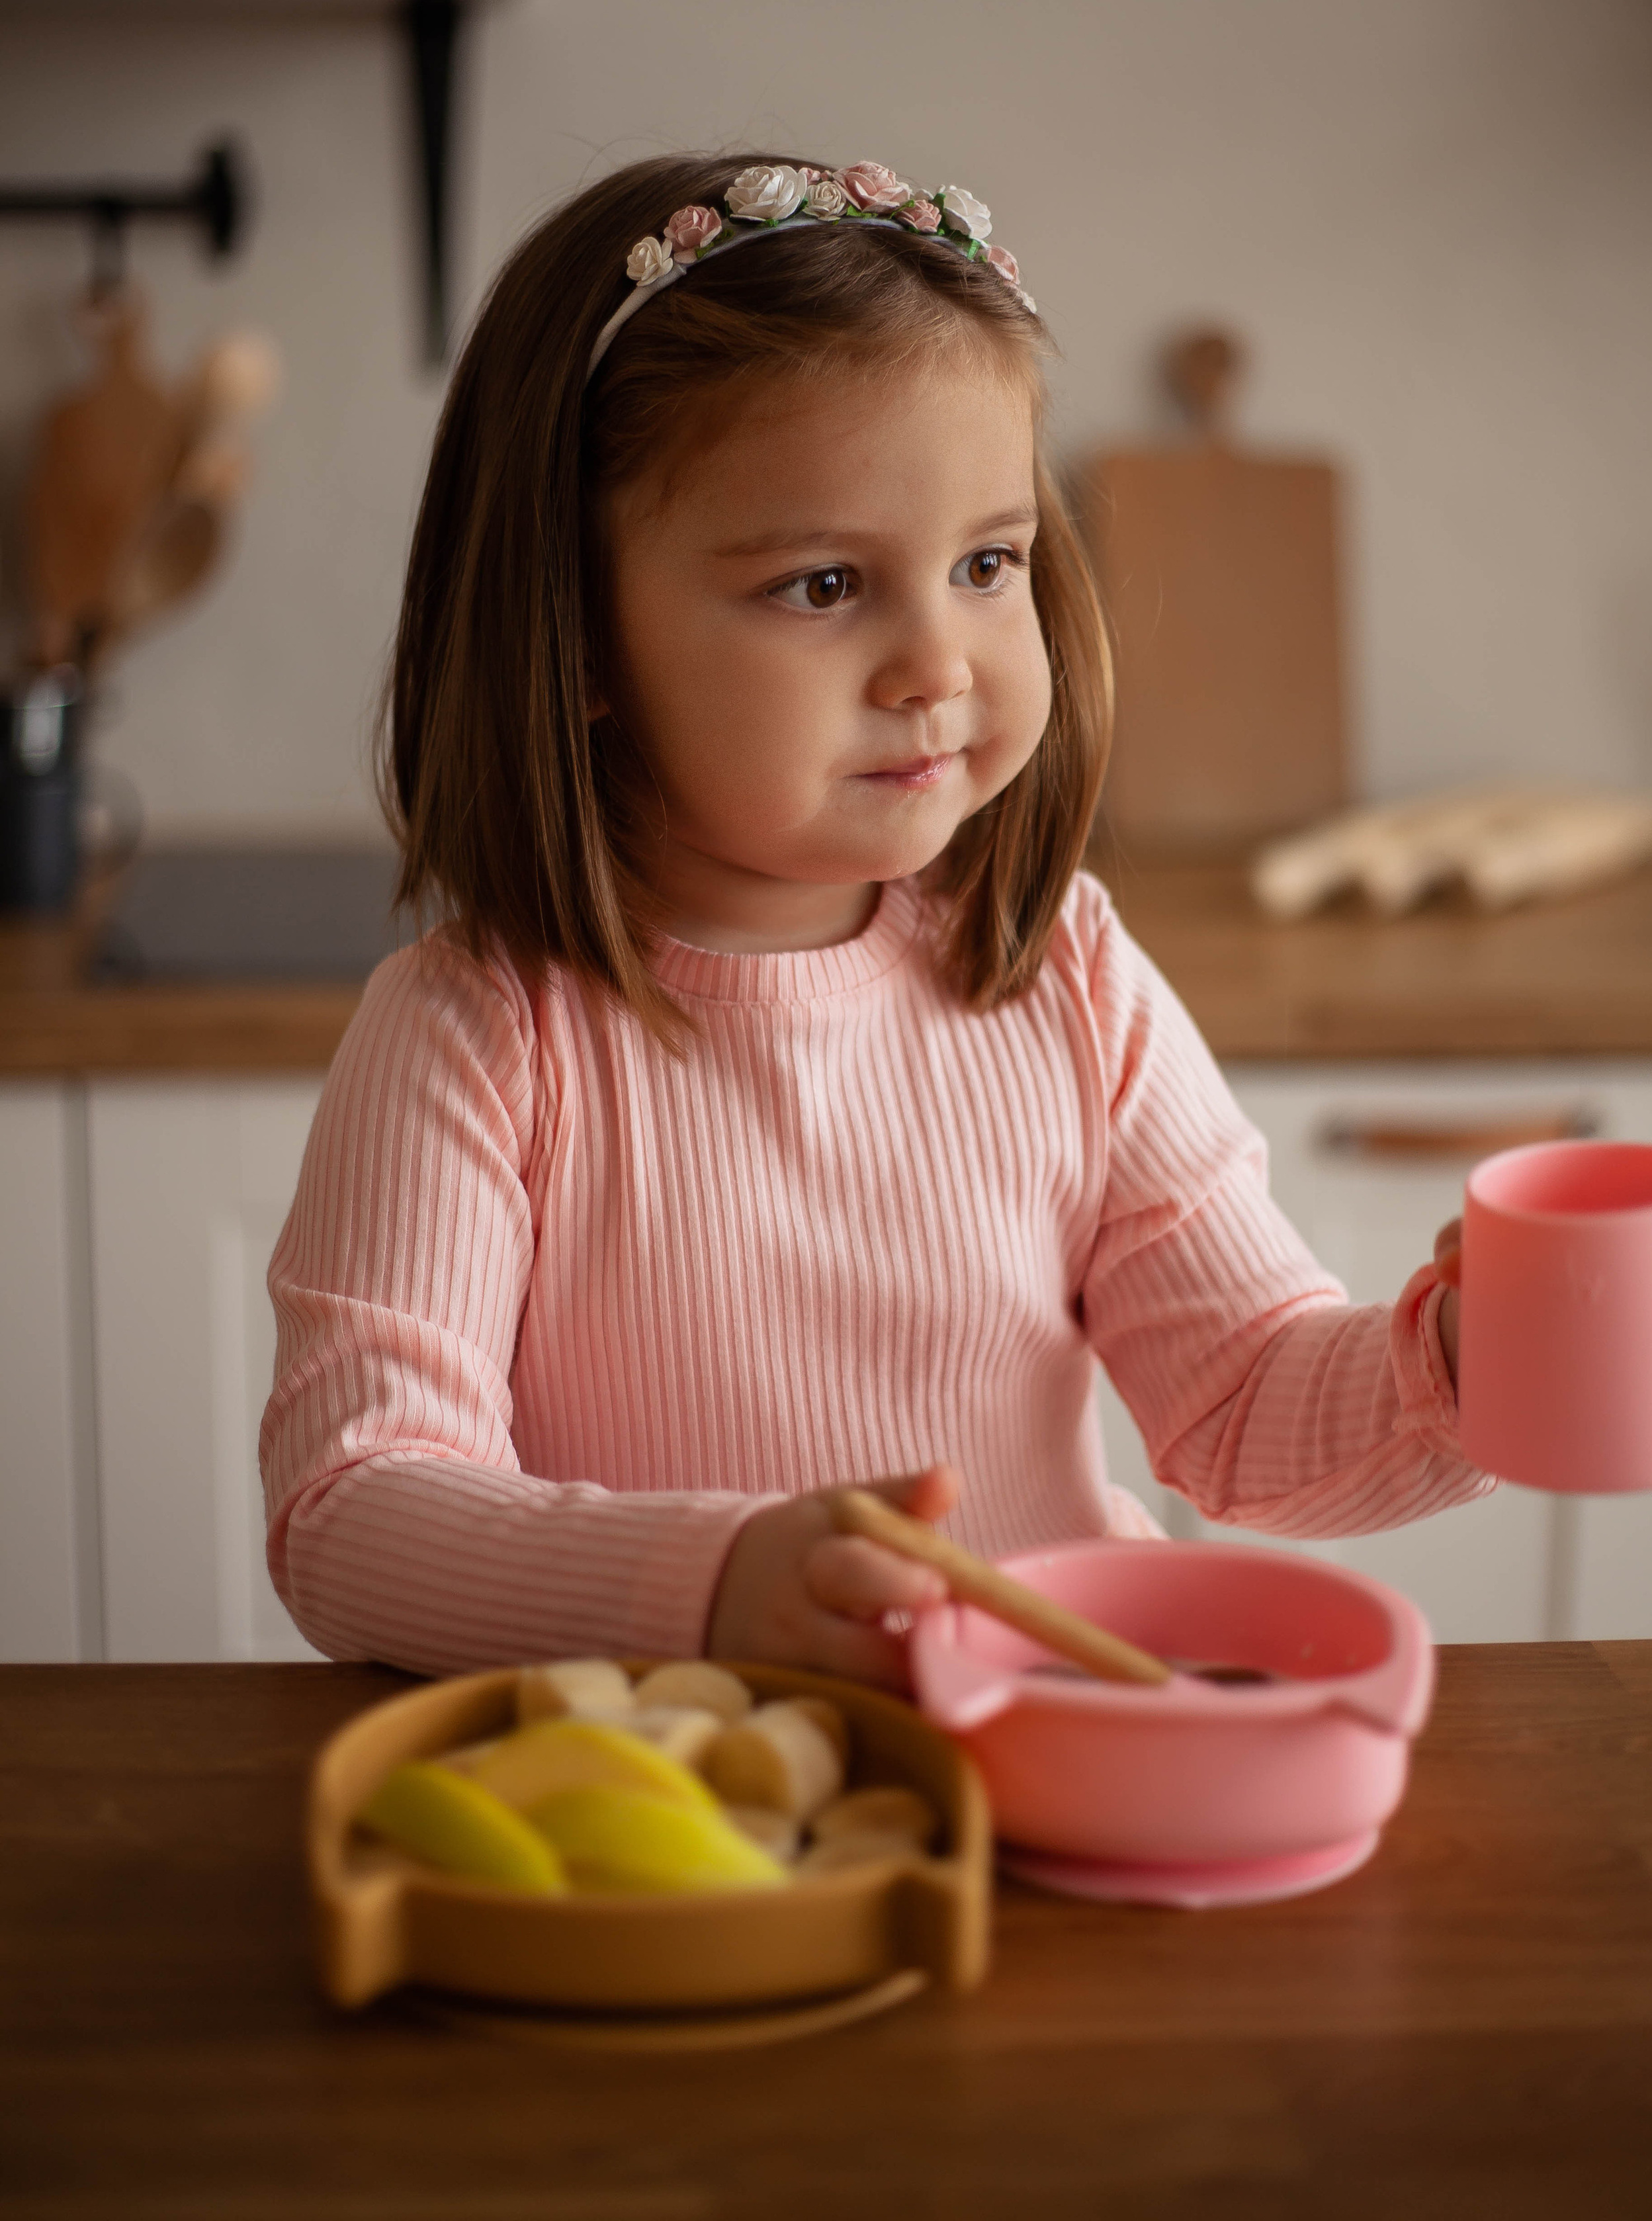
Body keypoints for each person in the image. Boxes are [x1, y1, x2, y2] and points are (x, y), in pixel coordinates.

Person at [260, 150, 1479, 1682]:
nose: (937, 664)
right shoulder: (480, 1035)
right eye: (825, 584)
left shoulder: (1061, 974)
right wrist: (711, 1586)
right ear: (575, 633)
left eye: (986, 564)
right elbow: (353, 1513)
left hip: (1057, 1792)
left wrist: (1466, 1363)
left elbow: (1244, 1402)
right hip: (691, 1839)